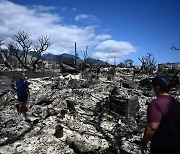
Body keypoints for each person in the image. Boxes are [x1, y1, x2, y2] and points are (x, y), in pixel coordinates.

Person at [141, 75, 180, 154]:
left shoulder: (155, 104)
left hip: (161, 147)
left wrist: (144, 143)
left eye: (153, 87)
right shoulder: (177, 103)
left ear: (157, 88)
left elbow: (152, 127)